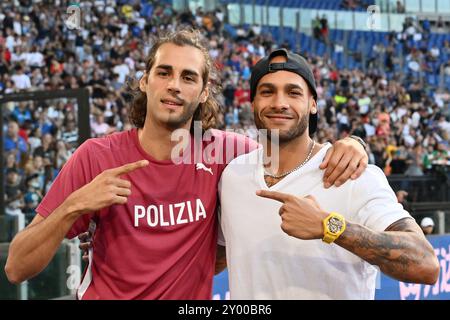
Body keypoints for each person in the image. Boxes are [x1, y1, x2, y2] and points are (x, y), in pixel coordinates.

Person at [5, 30, 367, 300]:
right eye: (164, 73)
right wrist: (74, 206)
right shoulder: (96, 157)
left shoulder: (228, 153)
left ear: (204, 91)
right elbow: (17, 267)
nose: (174, 85)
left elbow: (293, 145)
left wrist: (355, 143)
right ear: (145, 82)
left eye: (189, 77)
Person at [218, 49, 439, 299]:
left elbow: (426, 264)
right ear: (253, 103)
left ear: (313, 104)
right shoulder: (233, 176)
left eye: (293, 92)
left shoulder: (352, 173)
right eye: (267, 92)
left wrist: (330, 227)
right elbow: (218, 255)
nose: (279, 103)